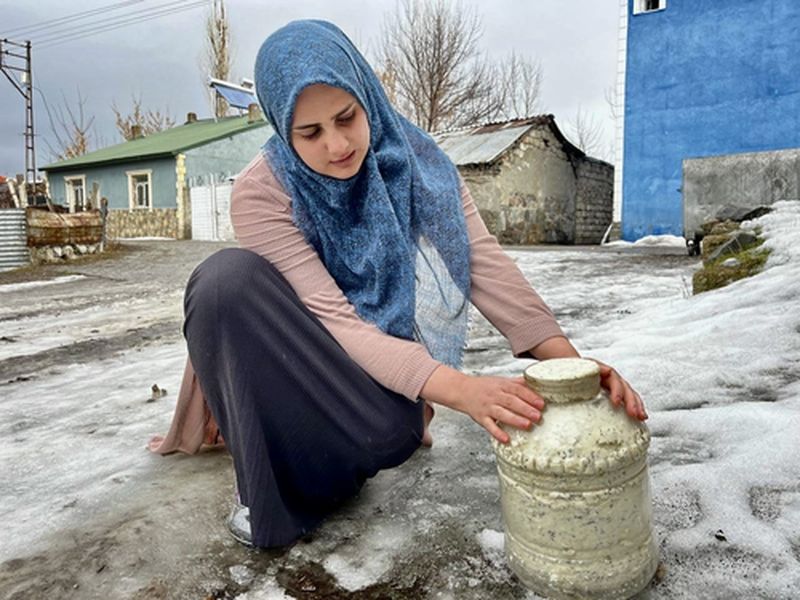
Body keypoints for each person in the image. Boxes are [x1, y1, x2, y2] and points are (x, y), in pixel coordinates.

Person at [149, 19, 647, 549]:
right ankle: (266, 494)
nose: (337, 145)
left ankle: (319, 459)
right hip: (301, 354)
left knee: (393, 427)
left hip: (355, 379)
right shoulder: (262, 192)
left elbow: (482, 263)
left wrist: (571, 368)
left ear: (367, 96)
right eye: (310, 133)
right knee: (225, 280)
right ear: (280, 126)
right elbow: (335, 320)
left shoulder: (416, 163)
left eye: (347, 117)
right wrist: (462, 390)